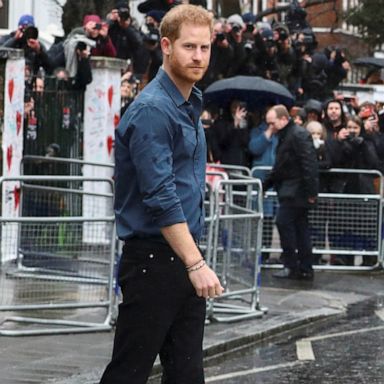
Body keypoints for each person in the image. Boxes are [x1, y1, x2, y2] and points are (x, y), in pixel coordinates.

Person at [99, 5, 223, 384]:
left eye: (205, 47)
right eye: (189, 47)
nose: (198, 56)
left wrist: (192, 259)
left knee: (187, 374)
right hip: (155, 260)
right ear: (166, 46)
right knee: (129, 372)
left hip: (180, 256)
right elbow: (160, 196)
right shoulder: (154, 110)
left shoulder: (188, 103)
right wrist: (195, 263)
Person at [263, 105, 319, 280]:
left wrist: (311, 192)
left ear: (283, 119)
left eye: (272, 123)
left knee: (285, 223)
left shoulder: (296, 135)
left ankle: (292, 265)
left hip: (296, 190)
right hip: (294, 189)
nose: (270, 127)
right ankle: (304, 267)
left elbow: (308, 164)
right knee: (300, 228)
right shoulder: (290, 135)